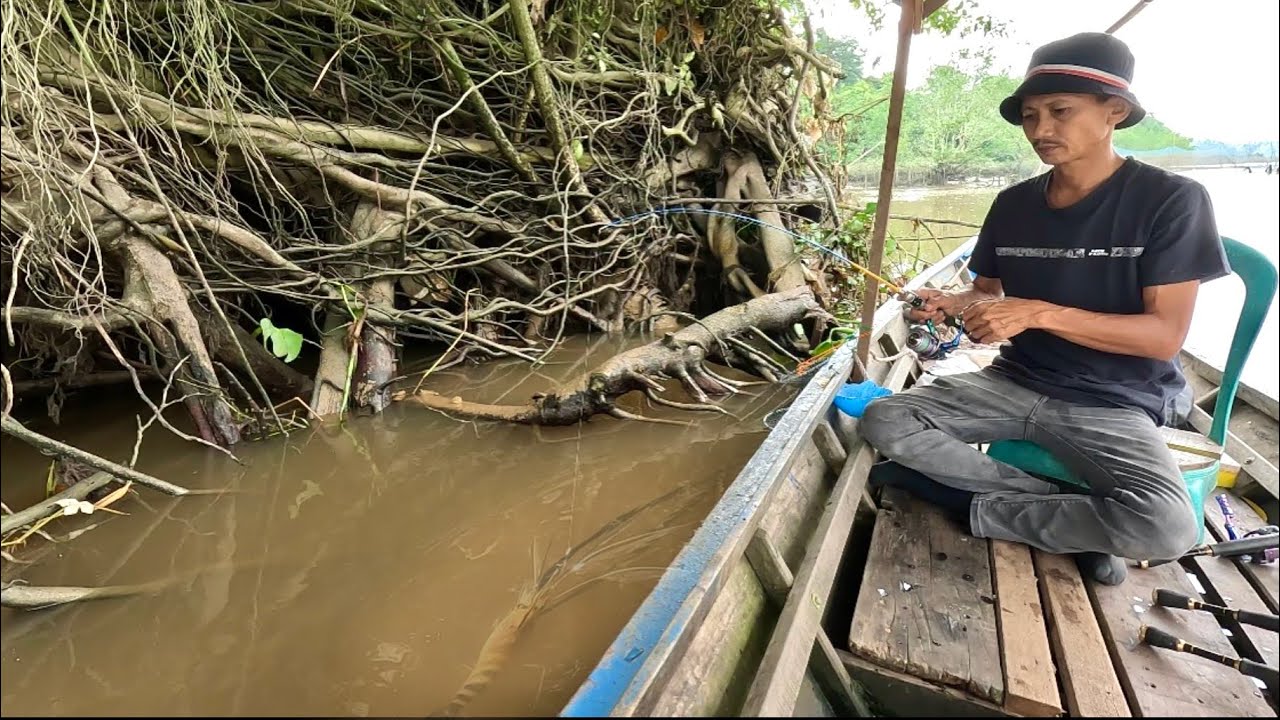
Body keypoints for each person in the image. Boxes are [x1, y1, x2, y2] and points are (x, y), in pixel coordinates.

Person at [859, 32, 1229, 586]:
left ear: (1114, 112)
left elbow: (1163, 337)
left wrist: (1036, 313)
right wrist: (955, 305)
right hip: (1014, 381)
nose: (1040, 130)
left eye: (1060, 111)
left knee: (1169, 526)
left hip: (1114, 401)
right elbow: (986, 294)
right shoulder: (1013, 204)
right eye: (1030, 116)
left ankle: (973, 504)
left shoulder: (1171, 201)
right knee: (885, 418)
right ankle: (1067, 515)